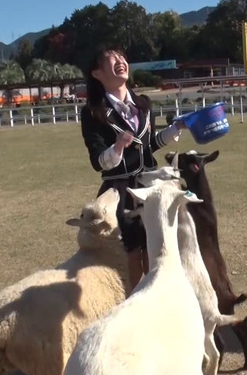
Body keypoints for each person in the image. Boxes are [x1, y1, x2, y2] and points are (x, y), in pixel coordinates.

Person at [79, 47, 187, 291]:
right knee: (131, 249)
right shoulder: (93, 112)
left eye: (122, 57)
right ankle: (131, 297)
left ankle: (156, 294)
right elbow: (98, 161)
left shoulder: (143, 104)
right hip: (119, 192)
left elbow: (149, 146)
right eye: (112, 58)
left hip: (150, 187)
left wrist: (175, 129)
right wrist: (117, 147)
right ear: (97, 73)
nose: (120, 61)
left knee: (156, 245)